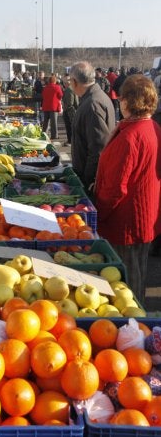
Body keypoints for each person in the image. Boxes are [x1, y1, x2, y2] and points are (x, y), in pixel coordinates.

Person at [94, 74, 161, 305]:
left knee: (126, 284)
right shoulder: (152, 127)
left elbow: (115, 188)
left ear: (128, 102)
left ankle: (136, 327)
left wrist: (97, 212)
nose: (120, 101)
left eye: (122, 98)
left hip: (126, 221)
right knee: (138, 272)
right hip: (145, 215)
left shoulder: (130, 137)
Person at [70, 61, 115, 191]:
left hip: (90, 181)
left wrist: (88, 181)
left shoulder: (92, 104)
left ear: (74, 81)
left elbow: (98, 148)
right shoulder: (93, 97)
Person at [41, 74, 63, 140]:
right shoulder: (57, 87)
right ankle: (54, 135)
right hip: (53, 107)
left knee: (46, 122)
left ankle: (44, 134)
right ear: (55, 81)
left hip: (46, 106)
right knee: (54, 122)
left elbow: (43, 95)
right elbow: (60, 95)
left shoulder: (45, 87)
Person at [61, 75, 79, 146]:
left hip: (69, 111)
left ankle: (70, 141)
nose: (64, 84)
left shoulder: (69, 90)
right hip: (72, 110)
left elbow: (70, 103)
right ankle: (70, 140)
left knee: (69, 126)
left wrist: (65, 109)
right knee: (70, 127)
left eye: (65, 82)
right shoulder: (72, 88)